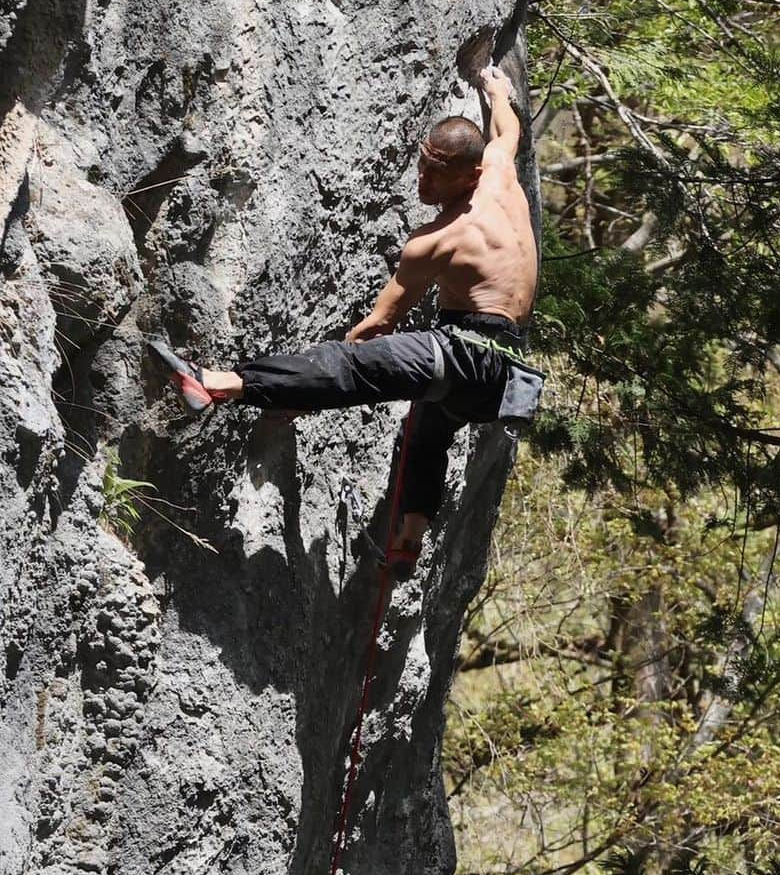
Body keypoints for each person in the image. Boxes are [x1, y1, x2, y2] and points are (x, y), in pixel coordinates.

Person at [149, 65, 540, 578]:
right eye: (422, 165)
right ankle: (408, 539)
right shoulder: (500, 174)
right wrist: (497, 91)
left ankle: (221, 383)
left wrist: (304, 385)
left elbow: (376, 328)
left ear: (469, 176)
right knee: (427, 430)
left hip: (465, 353)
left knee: (349, 366)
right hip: (502, 377)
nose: (424, 180)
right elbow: (506, 131)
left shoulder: (438, 241)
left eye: (437, 173)